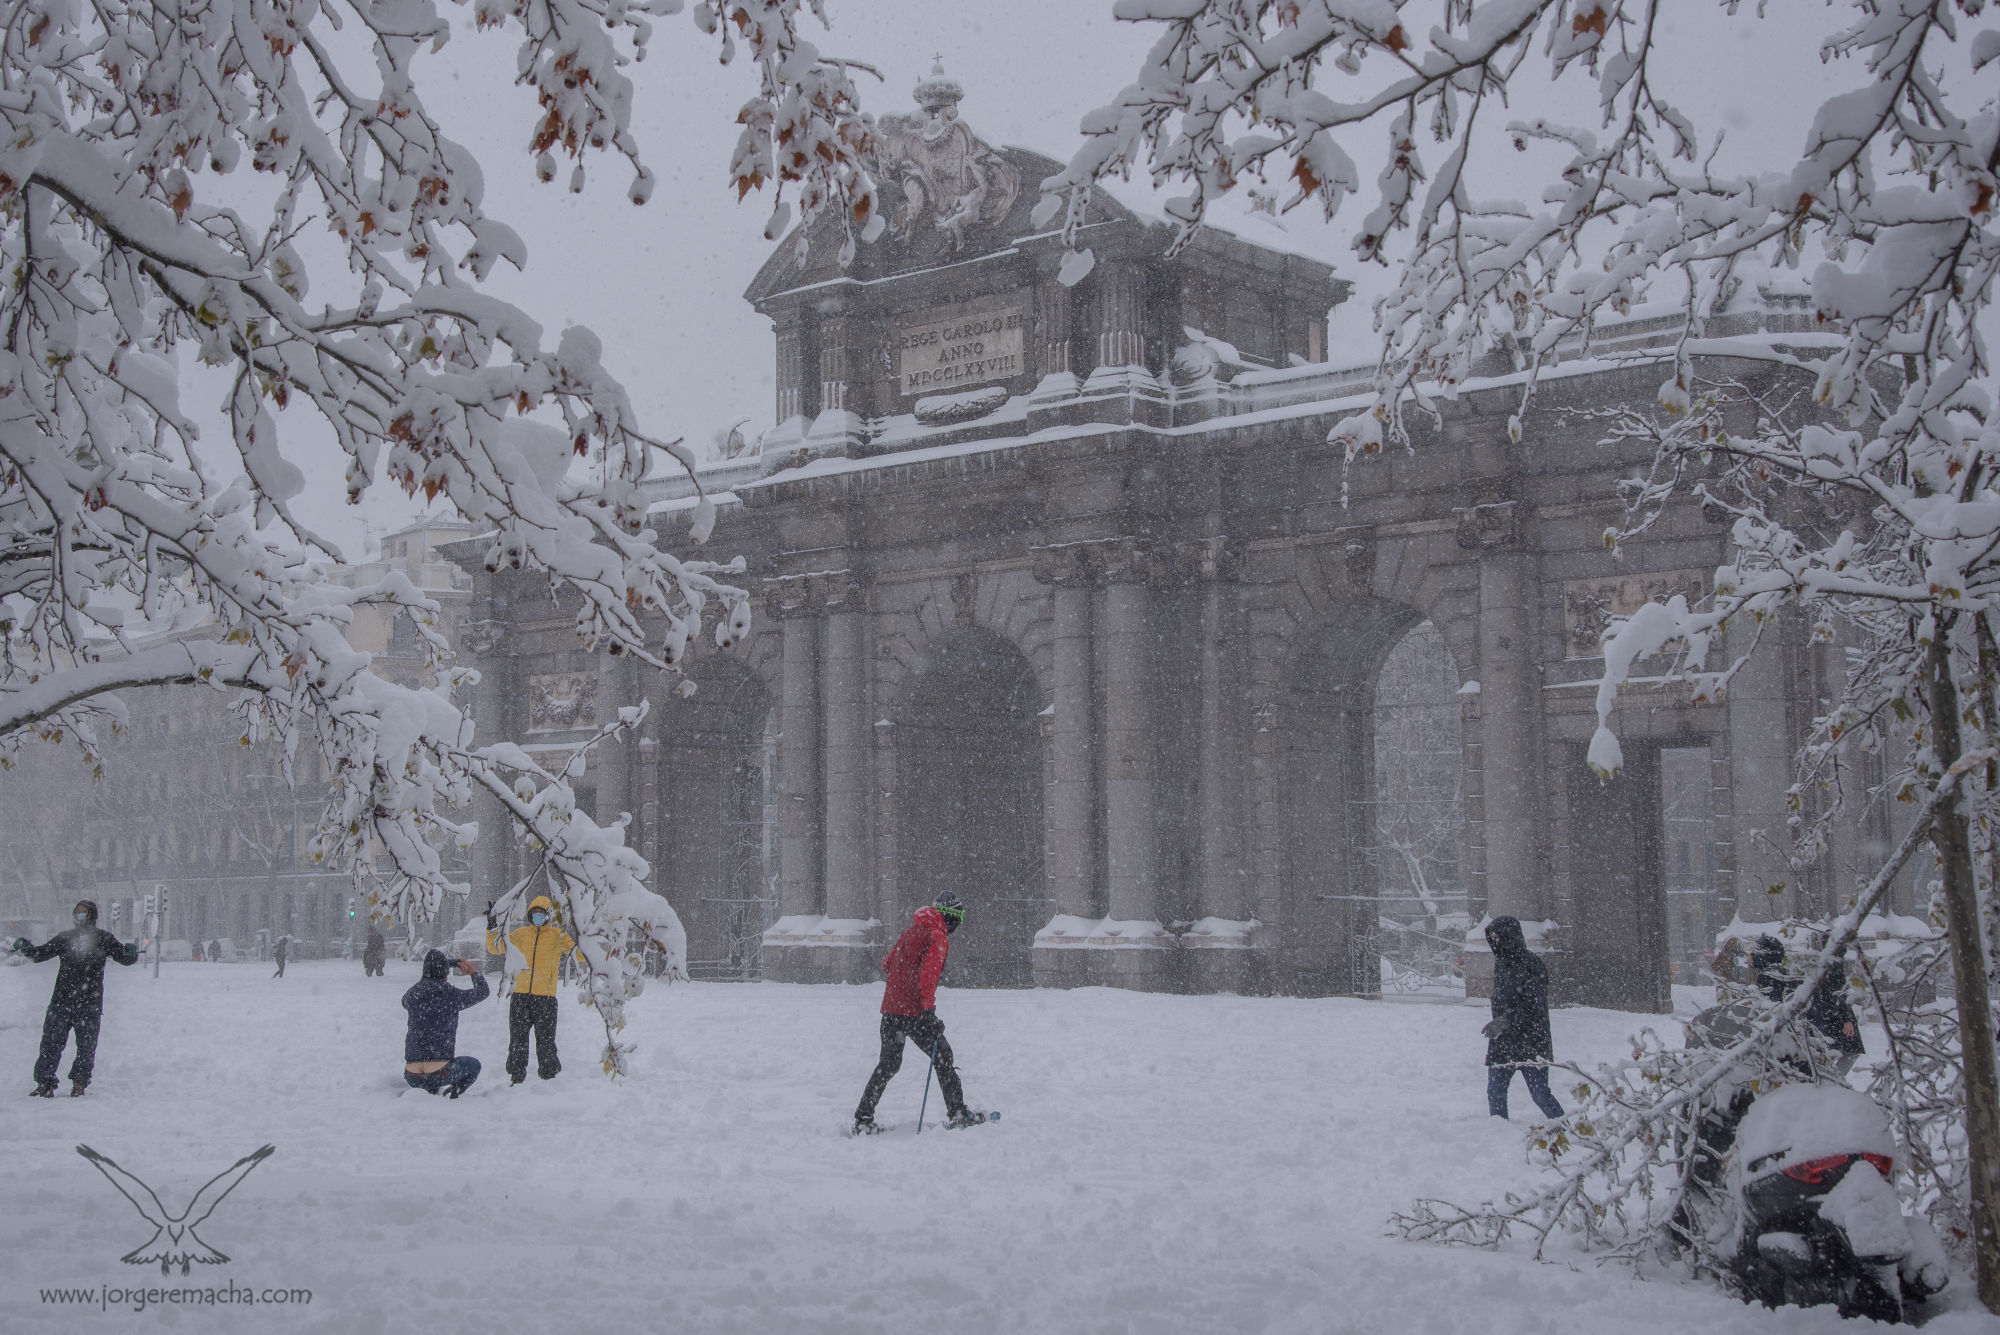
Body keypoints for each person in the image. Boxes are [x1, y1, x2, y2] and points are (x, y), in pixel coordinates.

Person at [852, 891, 986, 1134]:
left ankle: (863, 1118)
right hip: (915, 1013)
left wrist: (901, 987)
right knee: (943, 1055)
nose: (958, 924)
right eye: (958, 918)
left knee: (888, 1064)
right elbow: (928, 977)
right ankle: (957, 1112)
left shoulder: (912, 930)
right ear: (950, 917)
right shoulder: (938, 936)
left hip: (892, 1009)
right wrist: (928, 1012)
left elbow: (887, 964)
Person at [12, 900, 142, 1097]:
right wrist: (27, 948)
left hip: (89, 1003)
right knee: (50, 1044)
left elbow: (123, 958)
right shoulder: (65, 938)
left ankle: (79, 1083)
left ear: (92, 916)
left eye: (84, 912)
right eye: (77, 911)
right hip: (61, 1001)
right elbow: (40, 954)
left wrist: (131, 954)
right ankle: (44, 1082)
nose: (79, 915)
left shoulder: (103, 938)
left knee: (86, 1047)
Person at [486, 895, 576, 1084]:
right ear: (529, 914)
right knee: (517, 1040)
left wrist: (586, 934)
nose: (538, 917)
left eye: (541, 914)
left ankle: (549, 1076)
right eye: (534, 913)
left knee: (546, 1041)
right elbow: (496, 947)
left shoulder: (558, 936)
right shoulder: (520, 935)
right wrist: (492, 927)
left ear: (548, 915)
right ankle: (516, 1075)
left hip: (546, 998)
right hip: (520, 997)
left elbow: (579, 955)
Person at [1483, 915, 1564, 1121]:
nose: (1495, 940)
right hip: (1504, 1041)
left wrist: (1505, 1021)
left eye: (1497, 936)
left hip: (1532, 1041)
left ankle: (1566, 1128)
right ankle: (1499, 1130)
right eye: (1492, 936)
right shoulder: (1501, 963)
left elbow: (1533, 1007)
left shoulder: (1532, 964)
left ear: (1509, 936)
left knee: (1540, 1094)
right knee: (1495, 1091)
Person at [1752, 934, 1865, 1078]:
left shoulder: (1830, 965)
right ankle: (1832, 1084)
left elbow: (1838, 992)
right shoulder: (1825, 964)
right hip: (1827, 1019)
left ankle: (1834, 1085)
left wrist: (1846, 1017)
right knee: (1832, 1060)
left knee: (1836, 1061)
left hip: (1833, 1020)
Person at [401, 948, 488, 1097]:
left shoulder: (411, 995)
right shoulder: (451, 995)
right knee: (473, 1066)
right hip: (440, 1073)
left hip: (412, 1076)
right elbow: (482, 992)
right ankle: (452, 1095)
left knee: (429, 1084)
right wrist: (473, 972)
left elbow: (405, 1001)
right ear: (445, 972)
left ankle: (429, 1093)